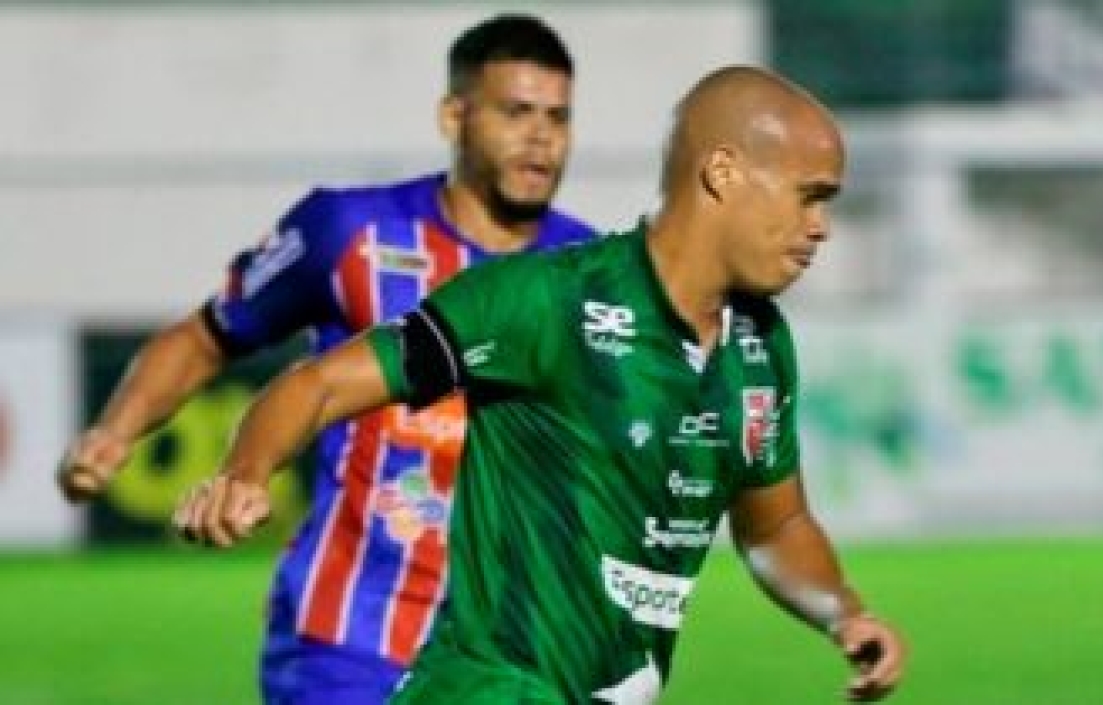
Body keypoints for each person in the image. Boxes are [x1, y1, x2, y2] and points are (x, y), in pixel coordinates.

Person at [174, 65, 907, 703]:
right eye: (809, 196)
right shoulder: (544, 301)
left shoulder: (760, 345)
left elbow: (775, 524)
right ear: (722, 172)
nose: (821, 227)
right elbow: (324, 384)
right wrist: (247, 472)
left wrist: (844, 611)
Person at [57, 14, 595, 705]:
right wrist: (115, 431)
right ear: (454, 115)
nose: (542, 136)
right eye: (517, 112)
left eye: (559, 116)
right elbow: (205, 337)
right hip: (347, 640)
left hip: (509, 652)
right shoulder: (351, 232)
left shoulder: (590, 274)